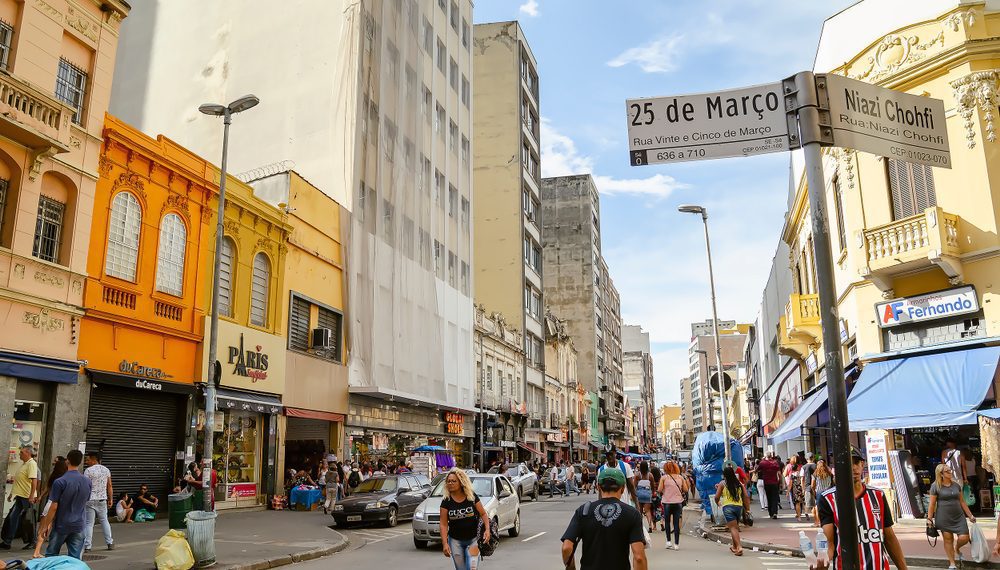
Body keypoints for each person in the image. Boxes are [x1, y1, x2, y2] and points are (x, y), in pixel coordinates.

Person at [817, 449, 907, 570]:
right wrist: (821, 564)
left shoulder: (878, 495)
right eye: (848, 463)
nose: (853, 467)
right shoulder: (827, 499)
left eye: (856, 462)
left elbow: (889, 537)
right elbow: (829, 543)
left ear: (862, 465)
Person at [560, 467, 647, 570]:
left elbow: (566, 548)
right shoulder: (632, 514)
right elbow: (639, 558)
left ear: (598, 487)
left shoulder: (584, 511)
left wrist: (571, 568)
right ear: (623, 488)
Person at [37, 450, 91, 559]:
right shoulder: (87, 481)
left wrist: (45, 526)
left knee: (51, 556)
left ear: (67, 461)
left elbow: (54, 506)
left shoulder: (60, 481)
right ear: (80, 462)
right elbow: (86, 500)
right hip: (79, 525)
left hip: (61, 525)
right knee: (75, 558)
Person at [927, 463, 975, 569]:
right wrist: (929, 518)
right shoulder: (935, 486)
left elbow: (962, 502)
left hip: (958, 516)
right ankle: (952, 563)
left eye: (950, 470)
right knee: (948, 539)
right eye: (947, 471)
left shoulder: (956, 485)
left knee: (964, 538)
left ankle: (956, 548)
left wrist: (970, 515)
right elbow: (932, 504)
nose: (950, 472)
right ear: (941, 474)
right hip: (944, 517)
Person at [440, 468, 490, 570]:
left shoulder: (471, 497)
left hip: (473, 540)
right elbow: (443, 524)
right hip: (455, 541)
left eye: (454, 481)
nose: (450, 483)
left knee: (471, 568)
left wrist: (487, 530)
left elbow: (483, 514)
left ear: (461, 482)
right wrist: (445, 543)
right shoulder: (446, 501)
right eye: (448, 481)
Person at [1, 444, 39, 551]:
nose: (20, 454)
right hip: (20, 496)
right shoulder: (24, 464)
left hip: (27, 497)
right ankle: (7, 541)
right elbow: (19, 481)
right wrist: (12, 494)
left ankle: (32, 541)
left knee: (28, 520)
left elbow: (34, 480)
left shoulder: (31, 464)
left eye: (22, 452)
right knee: (13, 518)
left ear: (28, 453)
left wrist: (31, 496)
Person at [714, 465, 750, 556]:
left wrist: (718, 503)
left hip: (728, 507)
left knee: (733, 528)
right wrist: (747, 508)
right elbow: (745, 496)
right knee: (735, 527)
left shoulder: (722, 483)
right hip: (738, 507)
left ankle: (739, 547)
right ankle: (734, 547)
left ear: (724, 475)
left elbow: (716, 497)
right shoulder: (739, 483)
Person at [82, 451, 113, 552]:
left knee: (89, 523)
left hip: (90, 500)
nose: (86, 461)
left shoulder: (88, 471)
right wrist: (110, 498)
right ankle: (109, 542)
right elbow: (109, 486)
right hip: (102, 499)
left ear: (93, 459)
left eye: (88, 459)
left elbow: (85, 486)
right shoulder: (106, 470)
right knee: (104, 520)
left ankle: (88, 546)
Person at [658, 461, 688, 550]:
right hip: (678, 503)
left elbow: (659, 490)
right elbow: (686, 489)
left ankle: (668, 542)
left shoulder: (664, 478)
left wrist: (665, 491)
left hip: (667, 502)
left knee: (667, 522)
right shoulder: (680, 477)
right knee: (676, 523)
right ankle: (676, 544)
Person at [757, 453, 781, 519]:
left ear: (765, 456)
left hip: (767, 482)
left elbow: (757, 469)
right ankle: (775, 512)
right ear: (771, 456)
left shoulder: (762, 463)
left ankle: (770, 512)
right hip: (774, 482)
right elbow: (779, 473)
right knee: (774, 498)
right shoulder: (775, 463)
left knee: (769, 497)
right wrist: (780, 482)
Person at [634, 461, 655, 533]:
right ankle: (650, 526)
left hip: (639, 494)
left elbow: (634, 486)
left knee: (639, 511)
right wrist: (653, 493)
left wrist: (633, 494)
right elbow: (653, 486)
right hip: (647, 494)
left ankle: (639, 526)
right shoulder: (650, 475)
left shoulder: (637, 475)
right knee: (648, 511)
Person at [811, 459, 833, 527]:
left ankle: (819, 522)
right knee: (829, 507)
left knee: (818, 508)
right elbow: (832, 482)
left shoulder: (815, 474)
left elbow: (812, 485)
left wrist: (814, 491)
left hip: (819, 492)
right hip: (828, 491)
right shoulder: (829, 473)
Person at [784, 456, 804, 521]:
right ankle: (803, 512)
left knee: (796, 502)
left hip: (795, 488)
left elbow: (785, 475)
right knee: (803, 502)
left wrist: (787, 492)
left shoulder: (789, 466)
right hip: (802, 487)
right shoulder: (802, 466)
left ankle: (798, 515)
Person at [800, 454, 817, 524]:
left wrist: (802, 488)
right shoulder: (816, 466)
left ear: (806, 459)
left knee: (808, 502)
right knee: (816, 503)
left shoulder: (803, 467)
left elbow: (802, 478)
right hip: (817, 486)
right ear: (813, 458)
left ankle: (807, 512)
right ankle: (817, 518)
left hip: (807, 486)